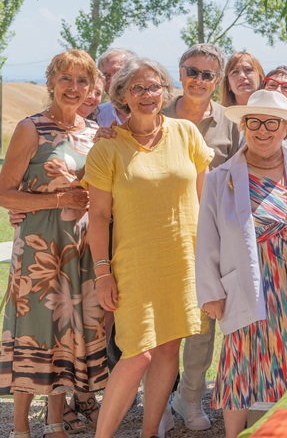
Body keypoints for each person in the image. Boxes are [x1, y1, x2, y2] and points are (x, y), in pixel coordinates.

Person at [195, 90, 287, 438]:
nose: (262, 131)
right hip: (246, 285)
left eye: (272, 123)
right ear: (244, 126)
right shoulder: (220, 178)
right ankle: (234, 435)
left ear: (285, 129)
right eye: (254, 122)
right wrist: (211, 292)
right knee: (240, 364)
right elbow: (207, 238)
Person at [83, 57, 214, 438]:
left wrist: (212, 262)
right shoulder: (107, 148)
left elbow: (206, 202)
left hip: (184, 262)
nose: (146, 94)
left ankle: (149, 432)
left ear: (164, 91)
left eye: (153, 86)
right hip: (134, 265)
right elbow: (98, 217)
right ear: (121, 95)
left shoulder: (187, 133)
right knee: (137, 353)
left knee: (169, 351)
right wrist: (103, 273)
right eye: (136, 88)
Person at [0, 50, 107, 438]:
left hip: (80, 250)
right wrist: (59, 200)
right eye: (66, 78)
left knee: (67, 336)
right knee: (34, 333)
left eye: (82, 81)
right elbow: (5, 194)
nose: (73, 88)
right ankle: (20, 428)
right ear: (51, 82)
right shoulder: (31, 128)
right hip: (39, 250)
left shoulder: (95, 133)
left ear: (91, 88)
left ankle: (55, 423)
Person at [165, 44, 241, 431]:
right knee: (161, 324)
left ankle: (189, 397)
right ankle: (158, 400)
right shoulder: (156, 114)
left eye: (207, 75)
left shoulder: (231, 123)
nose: (198, 80)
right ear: (180, 72)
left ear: (217, 80)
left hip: (213, 236)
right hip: (161, 234)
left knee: (202, 322)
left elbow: (242, 178)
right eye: (192, 71)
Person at [95, 48, 135, 127]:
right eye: (106, 75)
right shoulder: (94, 116)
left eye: (119, 73)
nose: (112, 81)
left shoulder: (155, 112)